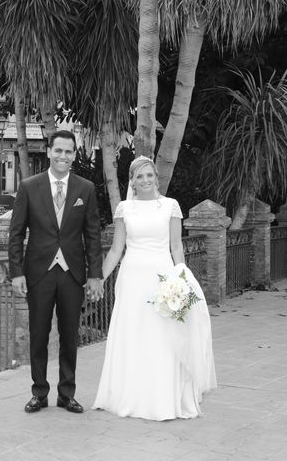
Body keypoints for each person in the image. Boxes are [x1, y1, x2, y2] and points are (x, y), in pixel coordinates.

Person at [92, 156, 216, 420]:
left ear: (156, 178)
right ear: (133, 182)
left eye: (149, 175)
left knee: (163, 336)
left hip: (162, 277)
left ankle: (163, 398)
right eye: (139, 176)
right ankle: (130, 395)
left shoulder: (170, 206)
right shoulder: (125, 208)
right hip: (132, 277)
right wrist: (100, 278)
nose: (145, 180)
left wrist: (180, 276)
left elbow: (176, 247)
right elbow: (116, 249)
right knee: (133, 333)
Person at [8, 129, 104, 414]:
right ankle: (39, 392)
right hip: (39, 272)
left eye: (69, 151)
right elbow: (16, 234)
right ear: (49, 151)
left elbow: (93, 235)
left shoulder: (85, 189)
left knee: (69, 335)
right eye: (58, 150)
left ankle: (67, 393)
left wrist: (94, 274)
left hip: (72, 273)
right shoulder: (29, 186)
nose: (63, 156)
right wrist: (16, 273)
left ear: (74, 155)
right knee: (38, 334)